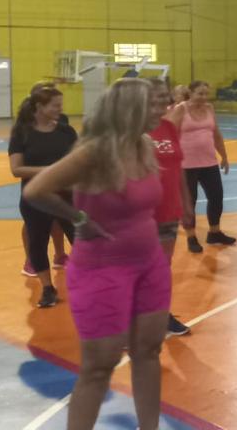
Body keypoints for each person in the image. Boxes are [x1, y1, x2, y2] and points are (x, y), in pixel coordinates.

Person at [21, 79, 171, 430]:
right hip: (102, 269)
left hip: (150, 264)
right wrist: (78, 218)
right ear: (128, 109)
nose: (161, 110)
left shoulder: (144, 146)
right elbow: (36, 189)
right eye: (151, 104)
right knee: (99, 366)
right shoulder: (94, 153)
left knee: (148, 351)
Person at [9, 85, 78, 307]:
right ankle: (48, 288)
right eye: (55, 105)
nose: (60, 109)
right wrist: (51, 171)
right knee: (38, 243)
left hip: (67, 198)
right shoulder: (22, 133)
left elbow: (78, 161)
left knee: (81, 240)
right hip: (35, 199)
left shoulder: (67, 132)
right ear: (39, 106)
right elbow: (17, 169)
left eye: (61, 105)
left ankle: (87, 282)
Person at [146, 79, 191, 337]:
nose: (164, 100)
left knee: (162, 267)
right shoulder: (129, 132)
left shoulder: (168, 127)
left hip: (168, 211)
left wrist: (186, 203)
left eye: (165, 96)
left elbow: (178, 167)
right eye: (157, 96)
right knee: (138, 268)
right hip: (140, 214)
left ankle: (161, 314)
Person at [179, 81, 234, 253]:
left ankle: (214, 232)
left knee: (216, 197)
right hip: (186, 165)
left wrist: (224, 156)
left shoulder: (209, 108)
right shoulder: (181, 109)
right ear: (190, 93)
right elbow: (169, 132)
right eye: (200, 94)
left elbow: (216, 134)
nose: (203, 97)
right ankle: (191, 237)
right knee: (190, 201)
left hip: (209, 162)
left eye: (206, 94)